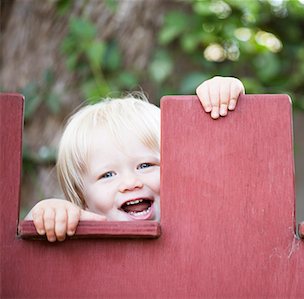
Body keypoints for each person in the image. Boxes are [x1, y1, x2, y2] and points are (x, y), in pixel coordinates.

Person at [25, 76, 245, 242]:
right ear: (82, 199)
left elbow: (232, 174)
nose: (131, 183)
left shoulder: (200, 223)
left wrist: (222, 95)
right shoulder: (76, 233)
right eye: (107, 174)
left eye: (146, 165)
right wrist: (51, 213)